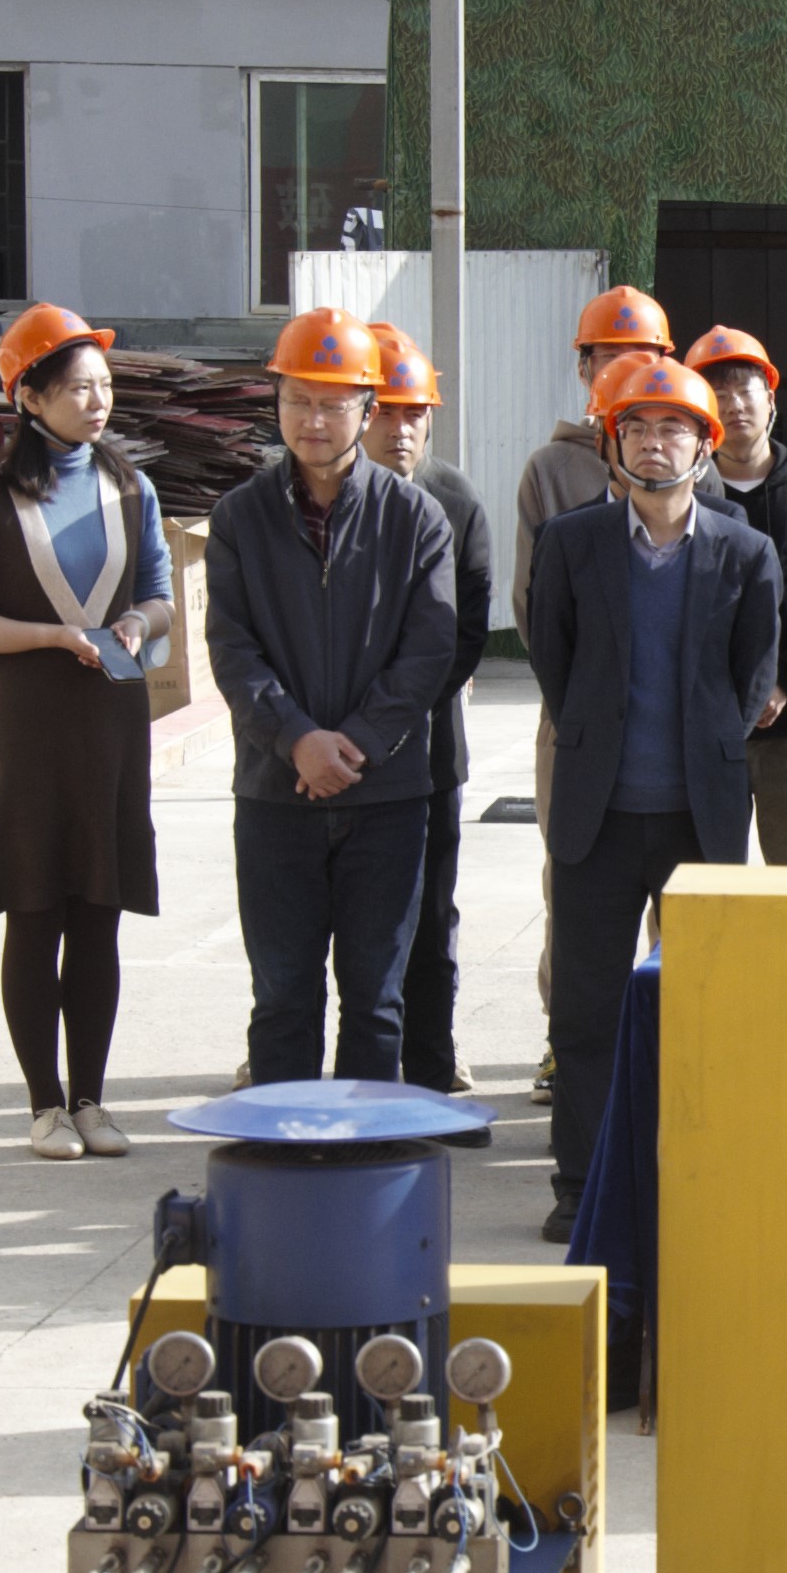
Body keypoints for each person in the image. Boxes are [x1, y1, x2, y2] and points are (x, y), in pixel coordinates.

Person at [523, 358, 782, 1245]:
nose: (654, 443)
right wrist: (598, 737)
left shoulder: (745, 552)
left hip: (697, 816)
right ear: (612, 443)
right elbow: (555, 663)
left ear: (705, 447)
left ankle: (696, 1171)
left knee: (702, 1004)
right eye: (636, 428)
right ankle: (582, 1185)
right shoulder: (572, 544)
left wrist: (706, 744)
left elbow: (753, 675)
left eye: (674, 428)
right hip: (596, 816)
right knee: (587, 1010)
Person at [0, 303, 176, 1159]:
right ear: (29, 398)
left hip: (112, 723)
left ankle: (93, 1100)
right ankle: (44, 1106)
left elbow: (160, 595)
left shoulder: (132, 489)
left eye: (104, 386)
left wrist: (140, 622)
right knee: (34, 910)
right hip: (30, 728)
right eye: (77, 388)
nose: (96, 402)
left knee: (99, 911)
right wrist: (48, 636)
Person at [207, 305, 458, 1094]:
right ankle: (284, 1152)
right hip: (275, 793)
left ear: (368, 409)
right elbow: (232, 649)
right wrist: (296, 741)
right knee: (283, 995)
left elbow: (428, 651)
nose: (312, 421)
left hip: (385, 796)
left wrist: (354, 745)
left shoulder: (415, 518)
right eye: (297, 401)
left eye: (332, 403)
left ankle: (363, 1152)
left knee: (376, 1000)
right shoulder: (240, 517)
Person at [516, 283, 676, 1102]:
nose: (622, 370)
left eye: (641, 357)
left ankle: (665, 1041)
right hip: (576, 722)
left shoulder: (685, 455)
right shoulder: (553, 470)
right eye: (608, 357)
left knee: (677, 896)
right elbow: (534, 611)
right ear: (584, 368)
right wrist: (586, 704)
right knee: (574, 884)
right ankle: (568, 1042)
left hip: (669, 728)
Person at [360, 323, 497, 1096]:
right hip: (332, 749)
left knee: (430, 911)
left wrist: (397, 717)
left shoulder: (455, 501)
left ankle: (432, 1058)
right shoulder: (309, 498)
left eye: (415, 412)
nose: (401, 429)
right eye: (386, 411)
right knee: (328, 916)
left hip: (429, 747)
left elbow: (465, 633)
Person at [688, 323, 787, 864]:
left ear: (771, 400)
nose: (734, 404)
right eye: (718, 393)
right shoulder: (684, 497)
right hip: (708, 725)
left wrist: (783, 681)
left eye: (746, 389)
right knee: (702, 880)